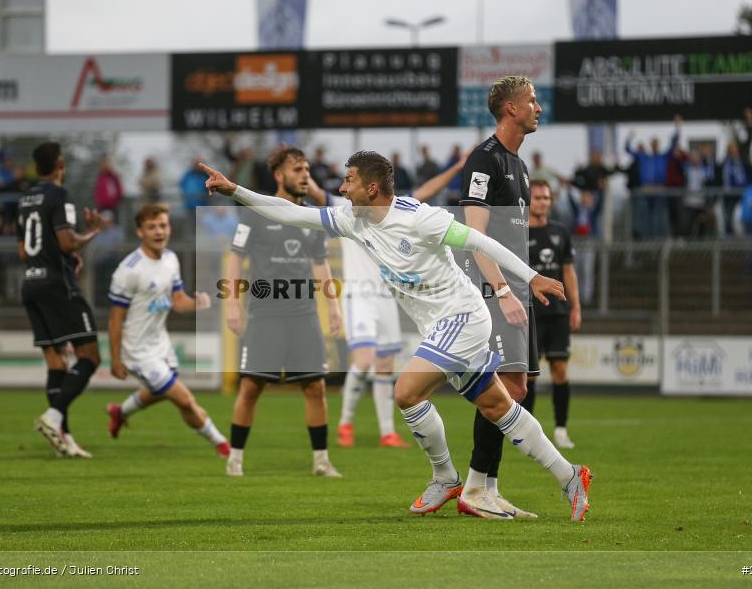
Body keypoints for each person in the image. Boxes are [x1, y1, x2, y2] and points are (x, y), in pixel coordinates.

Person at [201, 150, 593, 522]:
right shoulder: (353, 219)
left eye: (349, 180)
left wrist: (531, 277)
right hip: (440, 325)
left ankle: (446, 478)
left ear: (371, 188)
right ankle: (570, 475)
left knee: (406, 392)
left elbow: (480, 240)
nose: (341, 188)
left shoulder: (420, 218)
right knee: (498, 407)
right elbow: (290, 213)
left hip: (463, 316)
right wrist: (235, 190)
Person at [303, 157, 470, 450]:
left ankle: (387, 432)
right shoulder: (346, 209)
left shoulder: (395, 210)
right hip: (359, 294)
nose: (345, 187)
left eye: (351, 180)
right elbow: (317, 195)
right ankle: (345, 423)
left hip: (387, 296)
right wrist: (303, 173)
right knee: (364, 361)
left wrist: (457, 168)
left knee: (385, 366)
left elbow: (425, 192)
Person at [457, 74, 547, 519]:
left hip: (515, 290)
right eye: (531, 100)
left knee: (519, 386)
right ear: (510, 108)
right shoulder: (484, 159)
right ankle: (474, 488)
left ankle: (488, 489)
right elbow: (474, 236)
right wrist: (504, 290)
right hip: (492, 291)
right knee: (506, 386)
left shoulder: (520, 166)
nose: (538, 107)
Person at [222, 146, 343, 478]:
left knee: (315, 387)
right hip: (265, 314)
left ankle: (321, 462)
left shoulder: (312, 217)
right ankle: (235, 459)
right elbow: (236, 258)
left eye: (307, 170)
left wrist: (333, 305)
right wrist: (232, 303)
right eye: (297, 170)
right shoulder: (255, 212)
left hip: (304, 314)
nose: (305, 175)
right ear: (278, 175)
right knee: (251, 387)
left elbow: (320, 263)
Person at [105, 203, 231, 458]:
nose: (159, 231)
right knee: (184, 399)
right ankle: (223, 445)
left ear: (169, 228)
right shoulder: (129, 270)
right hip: (137, 351)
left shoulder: (171, 259)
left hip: (160, 344)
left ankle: (120, 412)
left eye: (162, 225)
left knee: (160, 392)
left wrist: (196, 303)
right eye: (151, 227)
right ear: (140, 232)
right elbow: (115, 319)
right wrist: (115, 359)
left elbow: (178, 301)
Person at [17, 141, 108, 458]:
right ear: (60, 165)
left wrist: (63, 259)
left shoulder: (24, 199)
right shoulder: (59, 195)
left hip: (31, 283)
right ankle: (54, 416)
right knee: (90, 357)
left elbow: (23, 250)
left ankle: (64, 442)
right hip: (58, 286)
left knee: (56, 361)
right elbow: (68, 242)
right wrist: (92, 232)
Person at [521, 180, 581, 449]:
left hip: (557, 312)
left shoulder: (560, 232)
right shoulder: (518, 232)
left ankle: (561, 430)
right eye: (537, 197)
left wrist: (576, 307)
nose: (542, 202)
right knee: (529, 375)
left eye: (546, 198)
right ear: (528, 200)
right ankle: (527, 433)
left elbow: (568, 271)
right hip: (530, 312)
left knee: (560, 369)